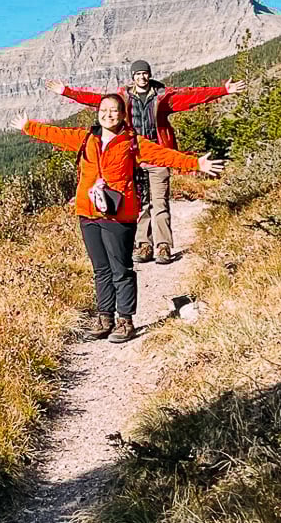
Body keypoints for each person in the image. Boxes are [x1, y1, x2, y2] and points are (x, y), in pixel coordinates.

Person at [18, 93, 224, 343]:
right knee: (101, 269)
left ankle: (125, 319)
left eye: (114, 110)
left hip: (119, 215)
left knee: (121, 268)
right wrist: (29, 127)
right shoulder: (86, 138)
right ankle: (105, 316)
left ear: (123, 115)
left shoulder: (132, 143)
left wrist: (195, 163)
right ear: (98, 112)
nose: (108, 114)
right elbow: (56, 134)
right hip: (88, 213)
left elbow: (163, 155)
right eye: (103, 110)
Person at [45, 61, 244, 265]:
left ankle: (163, 246)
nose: (142, 77)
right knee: (140, 202)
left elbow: (192, 97)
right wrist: (67, 92)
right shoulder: (123, 99)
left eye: (145, 73)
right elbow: (96, 100)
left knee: (160, 202)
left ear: (149, 75)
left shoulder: (163, 98)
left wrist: (223, 90)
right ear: (133, 77)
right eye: (138, 74)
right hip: (132, 157)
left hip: (157, 155)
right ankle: (143, 244)